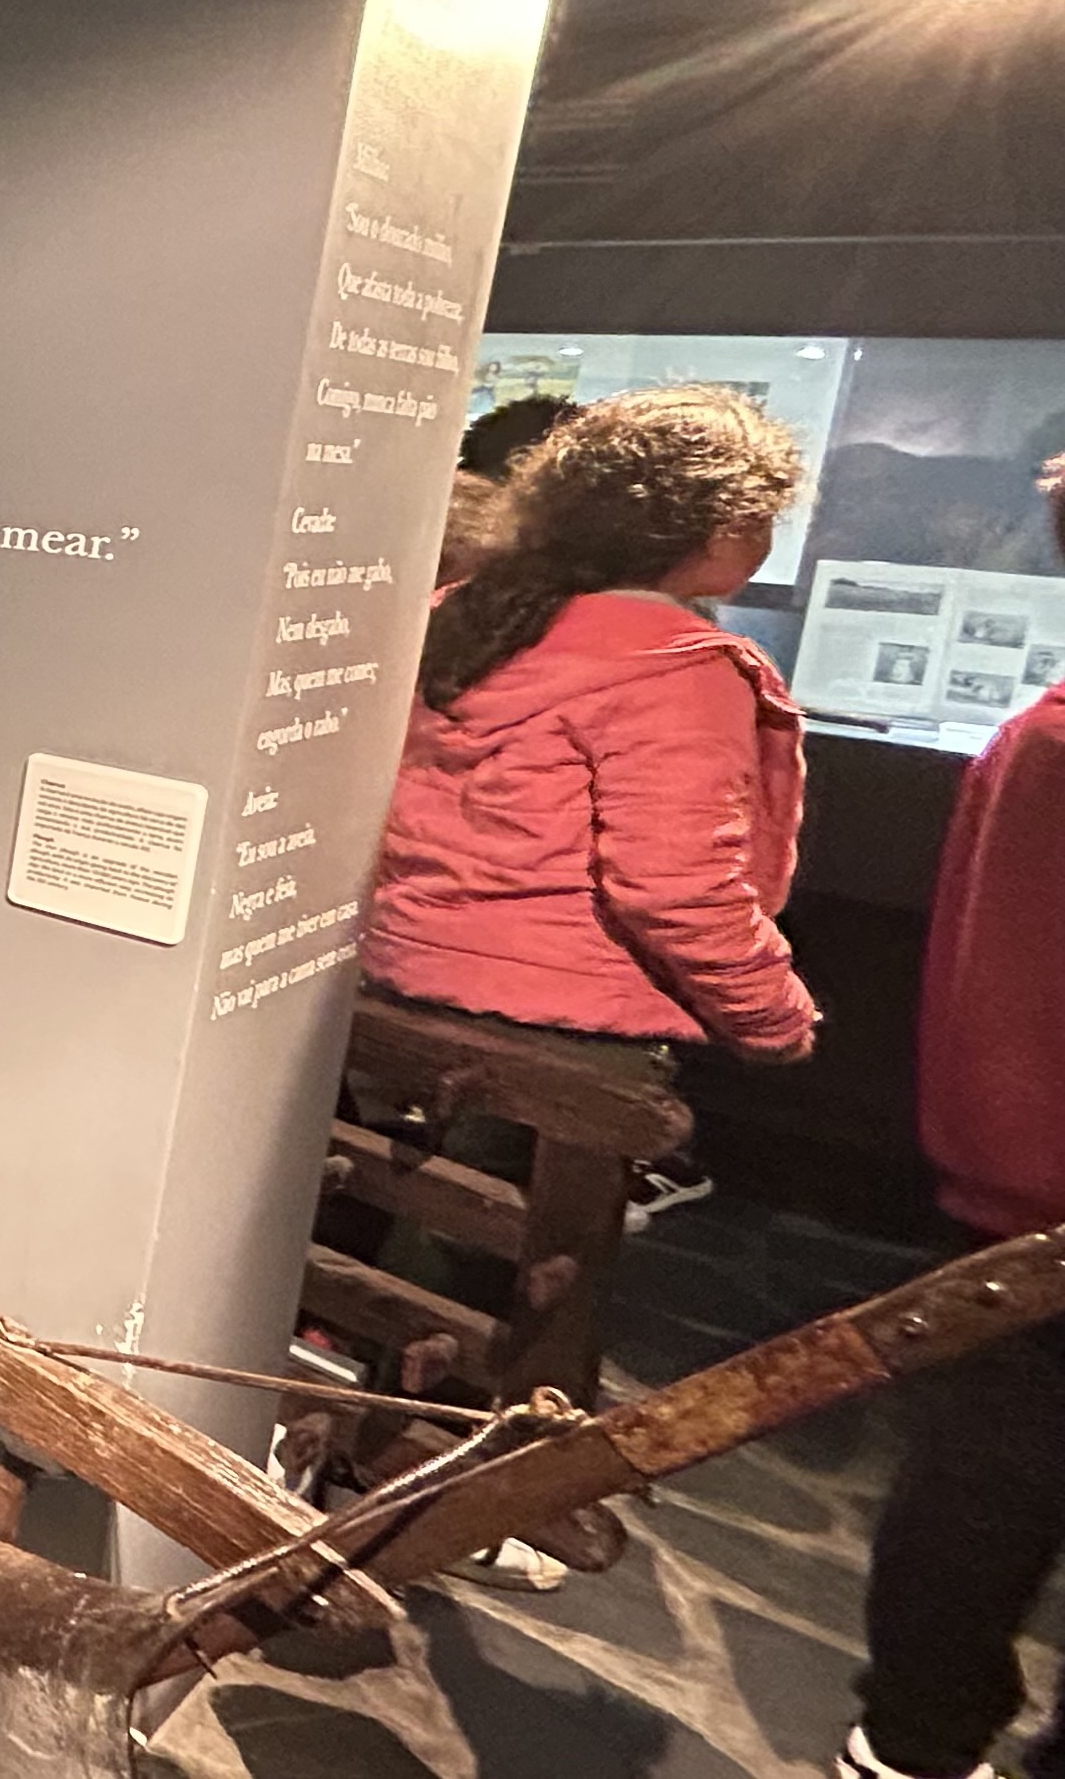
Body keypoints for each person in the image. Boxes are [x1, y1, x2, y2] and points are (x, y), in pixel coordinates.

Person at [365, 387, 820, 1058]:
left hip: (402, 974)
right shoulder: (677, 668)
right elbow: (677, 887)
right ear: (726, 525)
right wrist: (771, 1017)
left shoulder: (463, 615)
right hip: (572, 1016)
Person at [834, 457, 1065, 1779]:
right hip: (1034, 1193)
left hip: (1008, 1182)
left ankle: (914, 1738)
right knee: (986, 1476)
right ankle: (917, 1735)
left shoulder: (1035, 738)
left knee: (981, 1469)